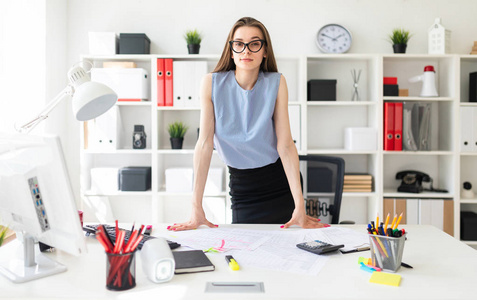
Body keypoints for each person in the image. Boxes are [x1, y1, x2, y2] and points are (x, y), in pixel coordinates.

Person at [168, 17, 328, 231]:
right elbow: (205, 145)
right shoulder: (211, 83)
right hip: (243, 186)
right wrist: (196, 206)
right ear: (231, 50)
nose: (246, 51)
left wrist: (300, 203)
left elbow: (285, 144)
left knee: (286, 248)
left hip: (279, 182)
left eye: (254, 44)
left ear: (264, 51)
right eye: (239, 44)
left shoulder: (277, 83)